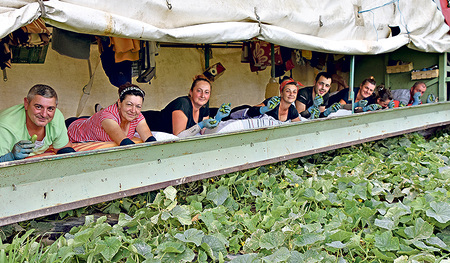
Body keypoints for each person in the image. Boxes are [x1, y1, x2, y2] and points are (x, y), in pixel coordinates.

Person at [0, 84, 75, 162]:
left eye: (50, 108)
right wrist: (10, 156)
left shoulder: (57, 116)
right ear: (26, 103)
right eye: (38, 107)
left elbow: (63, 148)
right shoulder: (5, 126)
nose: (44, 114)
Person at [67, 83, 156, 146]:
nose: (133, 110)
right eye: (129, 104)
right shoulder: (108, 117)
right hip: (74, 126)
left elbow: (150, 139)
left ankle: (99, 111)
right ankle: (100, 111)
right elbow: (124, 142)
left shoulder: (137, 115)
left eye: (138, 106)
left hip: (91, 121)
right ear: (119, 102)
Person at [147, 75, 231, 138]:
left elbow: (205, 133)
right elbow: (179, 137)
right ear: (191, 92)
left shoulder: (204, 109)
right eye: (199, 91)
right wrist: (200, 125)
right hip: (148, 124)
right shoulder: (183, 104)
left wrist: (217, 119)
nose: (202, 95)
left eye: (206, 92)